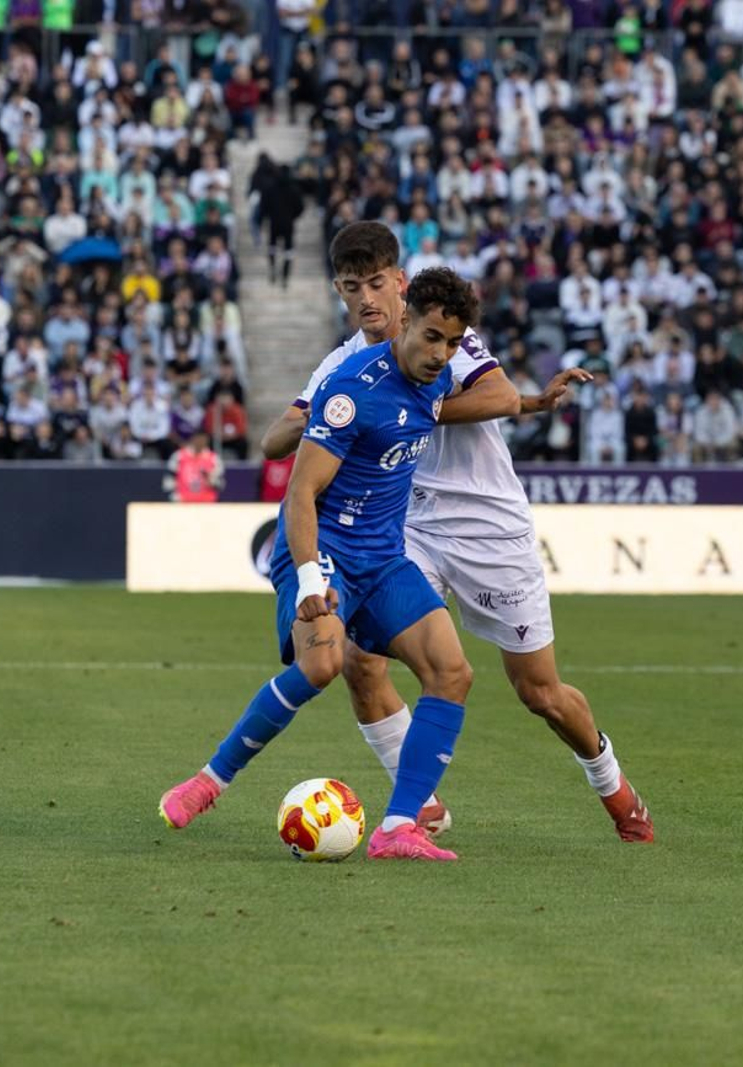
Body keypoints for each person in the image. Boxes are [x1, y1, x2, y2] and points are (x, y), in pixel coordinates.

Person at [258, 222, 655, 844]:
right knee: (360, 661)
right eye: (351, 287)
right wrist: (317, 409)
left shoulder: (447, 336)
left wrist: (416, 403)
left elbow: (498, 395)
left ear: (401, 283)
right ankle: (420, 807)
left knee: (540, 692)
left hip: (489, 529)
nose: (367, 299)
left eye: (377, 283)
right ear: (339, 291)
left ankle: (616, 787)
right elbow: (275, 440)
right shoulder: (341, 366)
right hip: (408, 529)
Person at [159, 267, 482, 862]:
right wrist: (311, 576)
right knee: (323, 663)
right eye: (433, 337)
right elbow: (300, 493)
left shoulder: (436, 384)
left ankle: (398, 827)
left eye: (453, 343)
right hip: (322, 548)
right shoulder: (351, 389)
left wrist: (535, 401)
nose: (442, 354)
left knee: (452, 670)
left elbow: (474, 401)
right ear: (405, 318)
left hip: (383, 559)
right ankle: (209, 782)